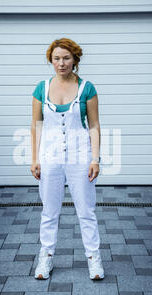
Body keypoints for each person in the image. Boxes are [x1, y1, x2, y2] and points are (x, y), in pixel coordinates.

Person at [30, 38, 104, 281]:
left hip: (80, 157)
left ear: (75, 60)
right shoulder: (41, 88)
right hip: (50, 158)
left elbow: (94, 125)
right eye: (56, 58)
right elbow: (36, 125)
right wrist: (34, 158)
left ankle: (93, 259)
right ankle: (46, 256)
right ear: (51, 60)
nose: (61, 63)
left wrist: (95, 159)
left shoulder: (87, 89)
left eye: (66, 58)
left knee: (86, 210)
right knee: (49, 211)